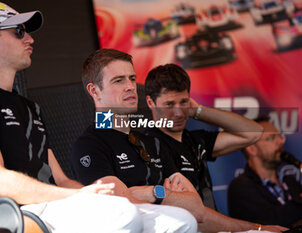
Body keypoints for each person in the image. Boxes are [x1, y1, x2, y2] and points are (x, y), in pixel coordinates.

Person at [0, 2, 180, 233]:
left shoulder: (29, 106)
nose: (30, 39)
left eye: (132, 79)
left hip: (50, 206)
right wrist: (78, 195)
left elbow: (60, 179)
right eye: (19, 31)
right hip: (11, 214)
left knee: (178, 220)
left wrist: (93, 194)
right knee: (122, 214)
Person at [70, 48, 287, 233]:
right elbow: (121, 207)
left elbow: (195, 208)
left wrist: (150, 192)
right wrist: (162, 193)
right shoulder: (89, 144)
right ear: (94, 91)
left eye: (132, 78)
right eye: (119, 80)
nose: (130, 86)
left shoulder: (150, 141)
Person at [144, 63, 263, 210]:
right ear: (150, 102)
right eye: (169, 104)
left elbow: (254, 133)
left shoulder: (196, 140)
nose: (179, 113)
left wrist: (198, 111)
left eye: (184, 102)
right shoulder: (147, 145)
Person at [228, 116, 302, 228]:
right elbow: (269, 221)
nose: (281, 142)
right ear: (251, 148)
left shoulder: (289, 180)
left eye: (280, 137)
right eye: (271, 138)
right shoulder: (240, 186)